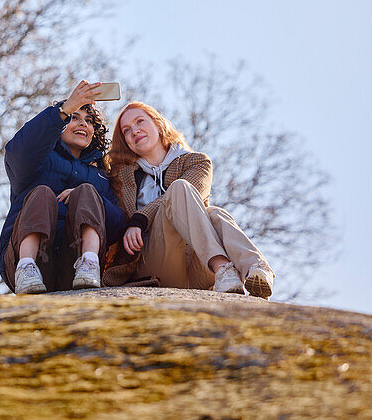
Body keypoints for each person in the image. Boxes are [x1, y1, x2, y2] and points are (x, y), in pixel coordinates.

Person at [102, 101, 274, 297]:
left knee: (212, 212)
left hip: (198, 268)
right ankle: (225, 268)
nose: (134, 130)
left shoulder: (198, 162)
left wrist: (140, 219)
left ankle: (256, 270)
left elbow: (188, 193)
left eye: (140, 121)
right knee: (191, 197)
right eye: (126, 130)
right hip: (154, 265)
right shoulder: (120, 175)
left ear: (158, 124)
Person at [0, 81, 126, 295]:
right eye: (74, 117)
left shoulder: (101, 177)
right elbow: (17, 154)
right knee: (42, 192)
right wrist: (63, 110)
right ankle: (26, 266)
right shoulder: (38, 160)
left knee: (86, 191)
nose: (83, 124)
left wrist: (87, 198)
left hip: (74, 267)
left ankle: (89, 262)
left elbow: (118, 224)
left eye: (89, 121)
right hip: (28, 260)